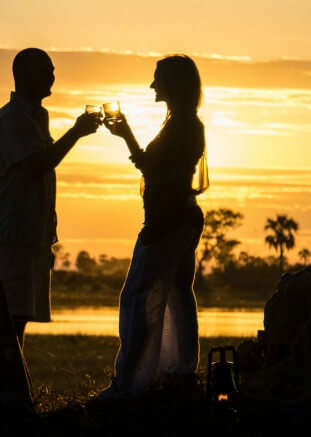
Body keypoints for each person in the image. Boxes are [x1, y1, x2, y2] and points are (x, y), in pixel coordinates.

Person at [97, 54, 209, 399]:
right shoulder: (181, 123)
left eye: (157, 78)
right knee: (175, 297)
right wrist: (127, 134)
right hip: (176, 220)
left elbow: (158, 174)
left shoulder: (185, 126)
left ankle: (131, 383)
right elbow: (153, 167)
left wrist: (127, 134)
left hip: (168, 222)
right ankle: (174, 375)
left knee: (139, 300)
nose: (152, 85)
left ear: (174, 83)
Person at [0, 48, 100, 347]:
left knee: (19, 319)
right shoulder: (12, 120)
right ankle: (8, 391)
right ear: (23, 75)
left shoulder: (36, 118)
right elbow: (37, 166)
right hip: (12, 236)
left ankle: (13, 390)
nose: (52, 76)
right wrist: (76, 132)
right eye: (45, 70)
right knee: (10, 321)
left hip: (30, 236)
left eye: (52, 69)